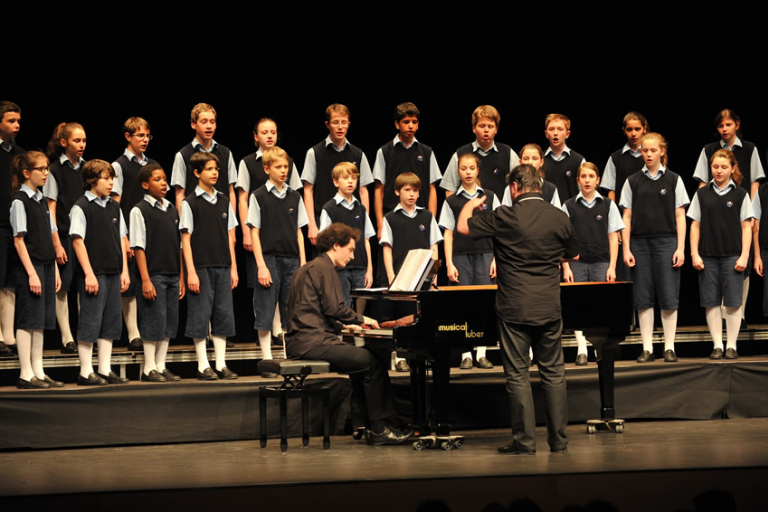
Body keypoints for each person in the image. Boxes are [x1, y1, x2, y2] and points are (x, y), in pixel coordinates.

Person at [457, 164, 579, 454]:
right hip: (549, 305)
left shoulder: (505, 215)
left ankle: (524, 442)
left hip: (514, 307)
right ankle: (559, 442)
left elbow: (463, 227)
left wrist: (471, 205)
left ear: (514, 188)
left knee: (518, 375)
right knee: (554, 374)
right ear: (539, 185)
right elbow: (573, 253)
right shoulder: (559, 216)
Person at [284, 222, 414, 446]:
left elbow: (310, 311)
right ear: (336, 246)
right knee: (372, 363)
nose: (353, 257)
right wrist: (362, 319)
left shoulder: (307, 267)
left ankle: (369, 425)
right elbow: (334, 309)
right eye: (351, 250)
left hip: (302, 341)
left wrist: (345, 327)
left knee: (360, 366)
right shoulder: (325, 269)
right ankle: (381, 428)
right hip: (313, 343)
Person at [620, 133, 689, 363]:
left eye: (652, 150)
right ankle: (647, 348)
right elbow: (626, 218)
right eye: (644, 150)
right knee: (643, 297)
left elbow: (681, 215)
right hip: (640, 243)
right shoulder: (632, 181)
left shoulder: (673, 180)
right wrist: (626, 248)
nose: (648, 154)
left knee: (669, 296)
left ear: (662, 151)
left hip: (666, 242)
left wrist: (681, 247)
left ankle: (669, 347)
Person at [693, 109, 764, 327]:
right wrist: (707, 206)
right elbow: (703, 182)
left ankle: (738, 314)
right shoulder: (709, 150)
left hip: (741, 209)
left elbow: (754, 181)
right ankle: (722, 316)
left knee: (742, 262)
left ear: (737, 125)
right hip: (715, 210)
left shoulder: (750, 149)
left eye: (728, 125)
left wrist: (751, 210)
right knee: (718, 266)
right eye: (721, 126)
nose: (724, 129)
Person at [70, 160, 130, 386]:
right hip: (94, 273)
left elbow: (121, 239)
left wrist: (124, 270)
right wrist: (88, 273)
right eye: (106, 178)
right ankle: (86, 371)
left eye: (112, 178)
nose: (110, 182)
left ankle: (104, 368)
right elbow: (77, 241)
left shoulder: (114, 206)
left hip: (113, 271)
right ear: (92, 180)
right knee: (90, 321)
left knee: (110, 322)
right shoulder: (82, 206)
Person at [689, 149, 753, 360]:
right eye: (715, 166)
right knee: (711, 301)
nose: (719, 170)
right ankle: (717, 344)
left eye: (724, 167)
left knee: (733, 302)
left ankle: (731, 345)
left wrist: (744, 255)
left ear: (732, 168)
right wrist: (694, 253)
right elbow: (695, 226)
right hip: (708, 255)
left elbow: (747, 227)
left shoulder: (741, 194)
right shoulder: (702, 194)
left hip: (732, 256)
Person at [180, 152, 239, 381]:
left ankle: (221, 364)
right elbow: (185, 240)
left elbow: (229, 236)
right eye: (209, 169)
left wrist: (233, 267)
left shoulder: (224, 200)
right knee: (200, 315)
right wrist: (191, 272)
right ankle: (203, 364)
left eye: (216, 169)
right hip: (201, 267)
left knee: (223, 315)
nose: (214, 173)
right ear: (197, 172)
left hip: (223, 265)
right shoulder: (190, 203)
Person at [438, 152, 499, 369]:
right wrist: (449, 263)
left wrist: (496, 259)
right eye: (463, 169)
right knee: (463, 305)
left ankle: (481, 353)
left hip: (485, 254)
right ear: (458, 172)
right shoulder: (452, 200)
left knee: (483, 304)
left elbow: (498, 230)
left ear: (477, 170)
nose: (468, 172)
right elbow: (447, 233)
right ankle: (466, 354)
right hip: (460, 256)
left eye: (471, 168)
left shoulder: (489, 196)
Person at [247, 146, 307, 362]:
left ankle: (288, 353)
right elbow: (254, 232)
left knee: (290, 307)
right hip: (269, 258)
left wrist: (303, 262)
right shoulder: (258, 196)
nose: (284, 171)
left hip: (291, 258)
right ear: (266, 168)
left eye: (286, 167)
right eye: (278, 167)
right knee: (265, 306)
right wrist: (261, 265)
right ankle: (266, 357)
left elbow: (299, 231)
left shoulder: (295, 196)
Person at [561, 163, 624, 365]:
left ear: (598, 180)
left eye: (591, 176)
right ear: (578, 180)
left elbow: (613, 237)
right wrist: (566, 266)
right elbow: (563, 239)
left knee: (599, 307)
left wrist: (612, 266)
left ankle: (599, 349)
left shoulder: (607, 205)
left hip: (601, 262)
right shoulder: (569, 205)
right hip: (577, 264)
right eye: (583, 176)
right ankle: (581, 350)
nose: (587, 180)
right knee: (579, 307)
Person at [10, 151, 62, 388]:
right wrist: (31, 272)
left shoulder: (41, 199)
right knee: (28, 319)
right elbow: (19, 240)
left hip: (46, 265)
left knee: (41, 320)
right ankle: (25, 373)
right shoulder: (20, 200)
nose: (45, 173)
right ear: (26, 173)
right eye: (40, 169)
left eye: (47, 169)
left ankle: (38, 371)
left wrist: (55, 270)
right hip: (30, 268)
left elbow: (51, 236)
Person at [380, 172, 442, 372]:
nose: (412, 194)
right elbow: (387, 247)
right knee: (402, 316)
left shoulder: (427, 216)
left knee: (422, 315)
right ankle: (400, 356)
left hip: (423, 276)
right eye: (407, 190)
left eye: (415, 190)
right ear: (397, 191)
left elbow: (434, 246)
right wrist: (390, 274)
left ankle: (424, 354)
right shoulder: (390, 218)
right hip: (401, 275)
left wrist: (433, 275)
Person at [130, 164, 185, 382]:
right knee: (154, 320)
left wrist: (180, 276)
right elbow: (138, 247)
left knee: (169, 322)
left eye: (165, 179)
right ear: (145, 185)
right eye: (158, 180)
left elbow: (178, 245)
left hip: (172, 273)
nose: (164, 183)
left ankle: (161, 365)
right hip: (153, 274)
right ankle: (148, 367)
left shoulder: (171, 208)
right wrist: (145, 279)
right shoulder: (139, 210)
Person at [112, 117, 158, 352]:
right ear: (128, 137)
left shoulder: (152, 166)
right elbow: (116, 204)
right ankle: (133, 333)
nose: (145, 140)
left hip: (152, 231)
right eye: (140, 135)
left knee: (150, 279)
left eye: (147, 135)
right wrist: (124, 236)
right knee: (129, 282)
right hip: (129, 231)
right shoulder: (119, 166)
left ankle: (150, 329)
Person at [301, 104, 373, 246]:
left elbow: (363, 191)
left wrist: (365, 224)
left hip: (353, 219)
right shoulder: (314, 153)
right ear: (327, 125)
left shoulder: (358, 154)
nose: (340, 127)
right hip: (325, 219)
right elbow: (308, 190)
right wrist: (312, 225)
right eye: (335, 122)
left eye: (343, 122)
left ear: (348, 124)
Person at [45, 122, 87, 355]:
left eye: (83, 141)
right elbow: (50, 206)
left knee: (84, 284)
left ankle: (84, 333)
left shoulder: (87, 168)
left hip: (84, 237)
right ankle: (66, 336)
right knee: (63, 286)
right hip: (64, 234)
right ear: (64, 143)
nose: (81, 145)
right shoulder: (54, 170)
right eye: (76, 141)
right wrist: (56, 242)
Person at [373, 102, 442, 239]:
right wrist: (380, 225)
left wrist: (431, 220)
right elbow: (379, 189)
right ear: (397, 124)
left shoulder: (426, 152)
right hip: (392, 215)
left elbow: (432, 188)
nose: (411, 126)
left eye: (414, 122)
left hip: (420, 216)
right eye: (406, 122)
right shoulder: (385, 152)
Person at [600, 112, 649, 281]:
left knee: (646, 272)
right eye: (629, 129)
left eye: (637, 129)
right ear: (624, 131)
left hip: (648, 218)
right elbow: (611, 191)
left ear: (644, 129)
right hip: (625, 219)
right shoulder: (616, 157)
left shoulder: (651, 156)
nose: (634, 133)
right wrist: (615, 222)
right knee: (626, 271)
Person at [318, 162, 374, 306]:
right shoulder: (329, 208)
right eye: (346, 177)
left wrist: (369, 268)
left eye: (354, 178)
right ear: (336, 182)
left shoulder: (360, 208)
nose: (350, 181)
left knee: (361, 303)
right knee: (342, 303)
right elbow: (325, 243)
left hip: (360, 266)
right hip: (340, 268)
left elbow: (366, 239)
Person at [440, 105, 519, 200]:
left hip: (500, 213)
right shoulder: (460, 154)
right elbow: (450, 189)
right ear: (474, 128)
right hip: (468, 213)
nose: (486, 130)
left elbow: (520, 185)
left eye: (490, 126)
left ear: (496, 129)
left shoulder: (508, 153)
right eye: (482, 126)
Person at [171, 103, 237, 212]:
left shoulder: (226, 153)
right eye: (204, 122)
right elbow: (180, 193)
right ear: (193, 124)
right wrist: (184, 226)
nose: (209, 126)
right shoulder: (183, 155)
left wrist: (232, 225)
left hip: (220, 215)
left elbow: (230, 191)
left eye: (212, 122)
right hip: (196, 215)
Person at [0, 101, 24, 355]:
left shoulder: (19, 154)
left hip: (13, 224)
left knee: (10, 280)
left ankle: (8, 335)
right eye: (11, 121)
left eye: (18, 121)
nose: (16, 125)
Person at [541, 113, 585, 203]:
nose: (555, 133)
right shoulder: (539, 160)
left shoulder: (578, 160)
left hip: (570, 213)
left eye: (560, 129)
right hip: (546, 212)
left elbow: (584, 192)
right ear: (546, 133)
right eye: (551, 129)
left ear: (567, 134)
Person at [502, 144, 561, 208]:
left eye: (535, 159)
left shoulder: (551, 189)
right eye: (526, 159)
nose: (530, 162)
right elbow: (505, 213)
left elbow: (557, 215)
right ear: (520, 162)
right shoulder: (512, 188)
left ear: (541, 162)